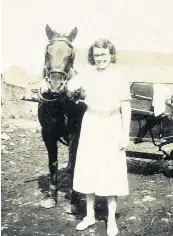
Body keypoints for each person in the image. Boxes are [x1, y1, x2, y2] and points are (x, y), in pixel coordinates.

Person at [67, 38, 131, 236]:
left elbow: (126, 106)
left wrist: (125, 134)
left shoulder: (119, 76)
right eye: (96, 55)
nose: (100, 58)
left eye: (104, 54)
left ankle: (111, 219)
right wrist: (86, 72)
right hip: (91, 123)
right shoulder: (89, 74)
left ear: (111, 54)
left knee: (111, 170)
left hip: (112, 123)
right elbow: (69, 87)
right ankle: (89, 216)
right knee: (89, 168)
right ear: (92, 57)